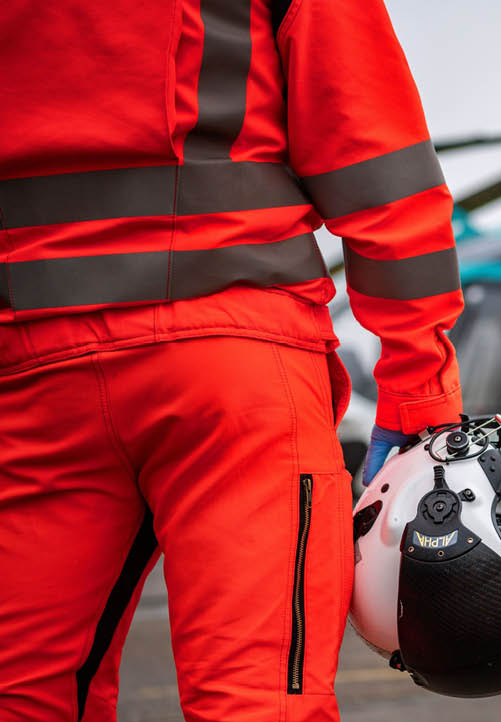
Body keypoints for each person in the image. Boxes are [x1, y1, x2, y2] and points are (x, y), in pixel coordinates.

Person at [0, 0, 463, 719]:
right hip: (236, 365)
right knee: (255, 700)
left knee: (22, 694)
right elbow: (385, 175)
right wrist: (421, 392)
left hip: (32, 373)